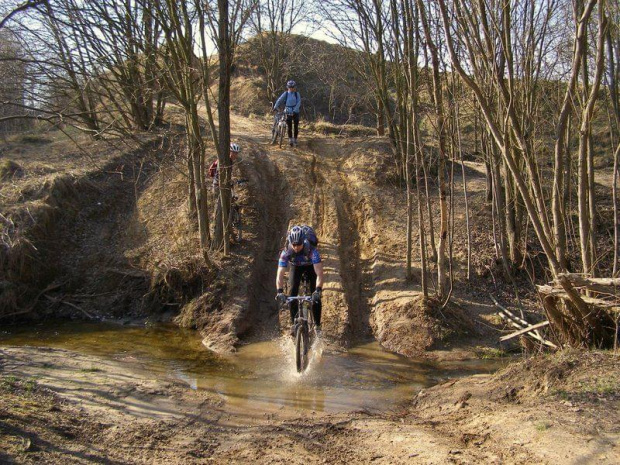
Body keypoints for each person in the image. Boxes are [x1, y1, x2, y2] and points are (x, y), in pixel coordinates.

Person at [276, 225, 324, 336]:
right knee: (292, 292)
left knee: (315, 296)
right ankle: (293, 323)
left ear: (303, 241)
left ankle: (317, 325)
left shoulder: (312, 251)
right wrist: (279, 291)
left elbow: (319, 273)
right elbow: (280, 274)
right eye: (294, 245)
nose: (296, 247)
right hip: (295, 266)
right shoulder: (286, 253)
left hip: (311, 266)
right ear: (290, 243)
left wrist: (318, 290)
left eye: (299, 244)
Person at [273, 80, 301, 147]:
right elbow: (280, 100)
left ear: (294, 87)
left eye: (292, 87)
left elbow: (299, 102)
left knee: (296, 126)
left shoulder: (297, 94)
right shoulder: (286, 94)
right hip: (288, 110)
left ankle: (295, 139)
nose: (291, 88)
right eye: (289, 87)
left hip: (295, 111)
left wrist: (294, 110)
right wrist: (275, 106)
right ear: (287, 87)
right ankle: (290, 139)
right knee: (289, 126)